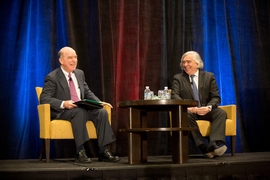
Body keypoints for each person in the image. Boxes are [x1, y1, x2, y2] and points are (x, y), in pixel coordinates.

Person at [40, 46, 120, 163]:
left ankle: (103, 151)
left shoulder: (79, 73)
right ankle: (80, 152)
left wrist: (98, 103)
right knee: (79, 112)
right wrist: (64, 103)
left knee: (101, 112)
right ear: (61, 61)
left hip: (81, 108)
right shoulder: (52, 77)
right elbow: (44, 98)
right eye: (70, 58)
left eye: (75, 57)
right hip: (64, 111)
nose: (74, 60)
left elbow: (87, 92)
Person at [171, 51, 227, 158]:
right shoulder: (178, 78)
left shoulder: (209, 76)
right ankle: (203, 147)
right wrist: (188, 107)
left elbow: (216, 97)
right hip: (189, 111)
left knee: (220, 113)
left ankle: (213, 143)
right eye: (183, 62)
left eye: (188, 62)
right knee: (184, 116)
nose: (185, 65)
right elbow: (175, 96)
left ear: (197, 63)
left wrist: (208, 107)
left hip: (205, 110)